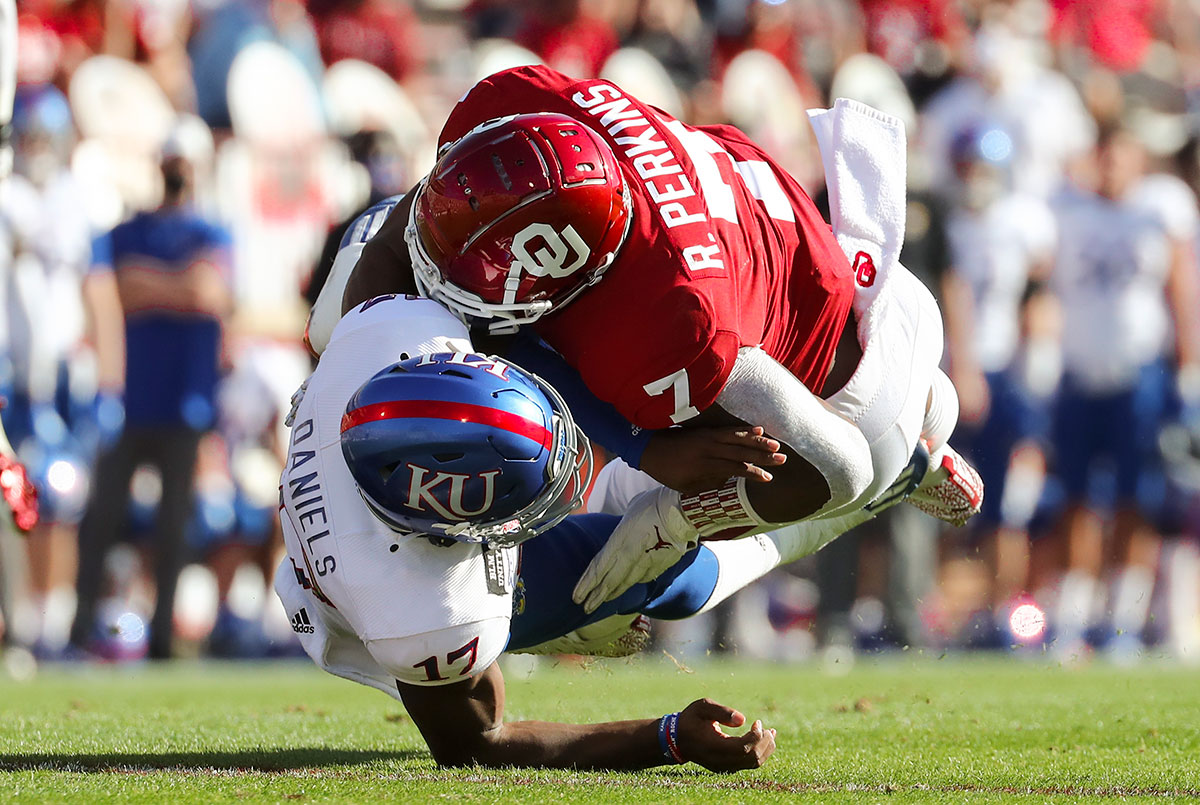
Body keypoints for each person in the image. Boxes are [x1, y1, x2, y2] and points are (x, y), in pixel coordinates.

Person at [318, 66, 980, 609]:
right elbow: (427, 228)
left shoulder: (673, 321)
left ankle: (908, 460)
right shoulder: (518, 101)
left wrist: (672, 515)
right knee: (357, 305)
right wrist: (348, 371)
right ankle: (930, 419)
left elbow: (837, 466)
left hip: (855, 400)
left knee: (640, 563)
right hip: (817, 270)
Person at [278, 261, 942, 769]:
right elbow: (480, 740)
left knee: (630, 525)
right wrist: (666, 736)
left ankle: (866, 475)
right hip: (372, 599)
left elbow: (411, 215)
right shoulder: (415, 608)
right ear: (452, 531)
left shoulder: (389, 323)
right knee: (646, 582)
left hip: (383, 507)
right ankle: (863, 500)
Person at [69, 132, 233, 660]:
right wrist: (180, 287)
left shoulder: (212, 229)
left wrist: (152, 287)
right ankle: (76, 632)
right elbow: (117, 289)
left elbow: (210, 293)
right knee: (101, 521)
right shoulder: (128, 230)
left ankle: (163, 640)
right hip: (131, 398)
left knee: (173, 530)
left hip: (184, 402)